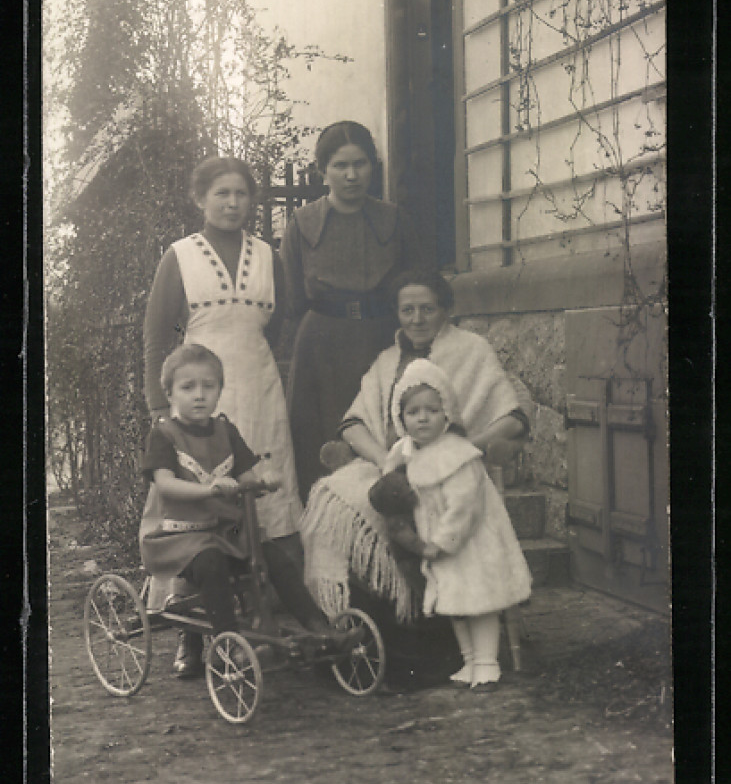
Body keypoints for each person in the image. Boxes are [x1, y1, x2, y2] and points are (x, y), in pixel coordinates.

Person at [300, 267, 531, 689]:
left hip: (450, 475)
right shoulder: (387, 361)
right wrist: (388, 460)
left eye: (427, 308)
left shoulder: (470, 350)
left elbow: (513, 418)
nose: (417, 318)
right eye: (407, 310)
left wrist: (464, 450)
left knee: (408, 514)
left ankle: (423, 646)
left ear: (444, 309)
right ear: (397, 314)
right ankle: (366, 635)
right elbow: (352, 422)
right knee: (339, 509)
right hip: (396, 466)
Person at [143, 156, 303, 672]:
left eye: (241, 194)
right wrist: (160, 407)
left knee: (264, 506)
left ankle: (261, 622)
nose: (233, 203)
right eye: (221, 194)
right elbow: (155, 338)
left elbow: (279, 329)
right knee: (195, 516)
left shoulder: (269, 257)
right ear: (200, 199)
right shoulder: (180, 257)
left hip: (257, 391)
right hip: (194, 397)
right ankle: (190, 635)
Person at [139, 343, 361, 678]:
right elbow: (165, 484)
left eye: (208, 387)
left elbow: (245, 473)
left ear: (219, 391)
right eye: (188, 388)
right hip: (177, 535)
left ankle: (321, 627)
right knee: (211, 565)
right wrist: (208, 488)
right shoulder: (164, 435)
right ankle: (230, 642)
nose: (199, 396)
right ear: (169, 393)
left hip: (224, 531)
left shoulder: (225, 430)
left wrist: (263, 479)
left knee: (274, 558)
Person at [280, 121, 423, 502]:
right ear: (322, 170)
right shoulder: (302, 225)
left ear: (372, 167)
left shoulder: (395, 221)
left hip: (381, 342)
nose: (351, 174)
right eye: (340, 165)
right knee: (320, 446)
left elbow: (417, 286)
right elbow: (291, 299)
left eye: (360, 164)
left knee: (383, 438)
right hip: (320, 348)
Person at [383, 357, 531, 691]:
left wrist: (444, 540)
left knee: (480, 602)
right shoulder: (405, 451)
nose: (422, 418)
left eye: (432, 410)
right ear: (400, 417)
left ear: (447, 412)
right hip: (435, 542)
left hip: (473, 542)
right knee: (454, 603)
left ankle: (487, 661)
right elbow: (391, 475)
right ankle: (468, 661)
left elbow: (465, 506)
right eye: (413, 412)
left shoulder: (458, 454)